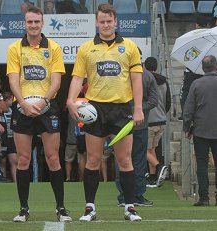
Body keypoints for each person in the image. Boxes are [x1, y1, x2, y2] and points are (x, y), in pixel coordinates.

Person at [66, 3, 144, 222]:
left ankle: (130, 207)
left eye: (109, 21)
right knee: (92, 160)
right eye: (102, 21)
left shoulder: (129, 47)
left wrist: (138, 108)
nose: (106, 25)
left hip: (121, 109)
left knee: (125, 160)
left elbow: (136, 80)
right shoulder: (85, 49)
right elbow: (77, 78)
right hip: (95, 109)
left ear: (115, 22)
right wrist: (71, 101)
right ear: (96, 22)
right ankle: (90, 208)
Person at [7, 6, 72, 222]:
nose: (33, 25)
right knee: (23, 160)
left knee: (53, 158)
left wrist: (44, 101)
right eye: (29, 22)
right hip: (22, 108)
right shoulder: (15, 48)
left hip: (47, 108)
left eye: (36, 22)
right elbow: (13, 79)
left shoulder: (53, 48)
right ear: (24, 24)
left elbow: (56, 80)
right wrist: (24, 103)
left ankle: (61, 208)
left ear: (42, 24)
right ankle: (23, 209)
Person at [114, 49, 158, 207]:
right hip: (139, 124)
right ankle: (137, 196)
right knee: (138, 160)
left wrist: (130, 110)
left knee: (121, 159)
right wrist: (138, 110)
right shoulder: (147, 75)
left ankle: (124, 196)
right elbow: (154, 100)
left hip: (122, 124)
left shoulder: (120, 73)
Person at [183, 55, 217, 207]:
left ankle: (204, 197)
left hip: (200, 130)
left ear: (203, 68)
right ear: (216, 66)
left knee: (202, 164)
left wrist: (187, 127)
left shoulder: (196, 84)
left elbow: (188, 108)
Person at [144, 57, 171, 188]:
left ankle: (159, 167)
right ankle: (153, 177)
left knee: (144, 149)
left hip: (149, 120)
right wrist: (162, 113)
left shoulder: (146, 79)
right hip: (161, 120)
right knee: (152, 149)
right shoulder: (164, 81)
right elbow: (168, 102)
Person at [179, 16, 208, 119]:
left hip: (190, 68)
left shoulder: (192, 35)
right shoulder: (210, 35)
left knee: (185, 91)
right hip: (204, 70)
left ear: (197, 24)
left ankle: (184, 114)